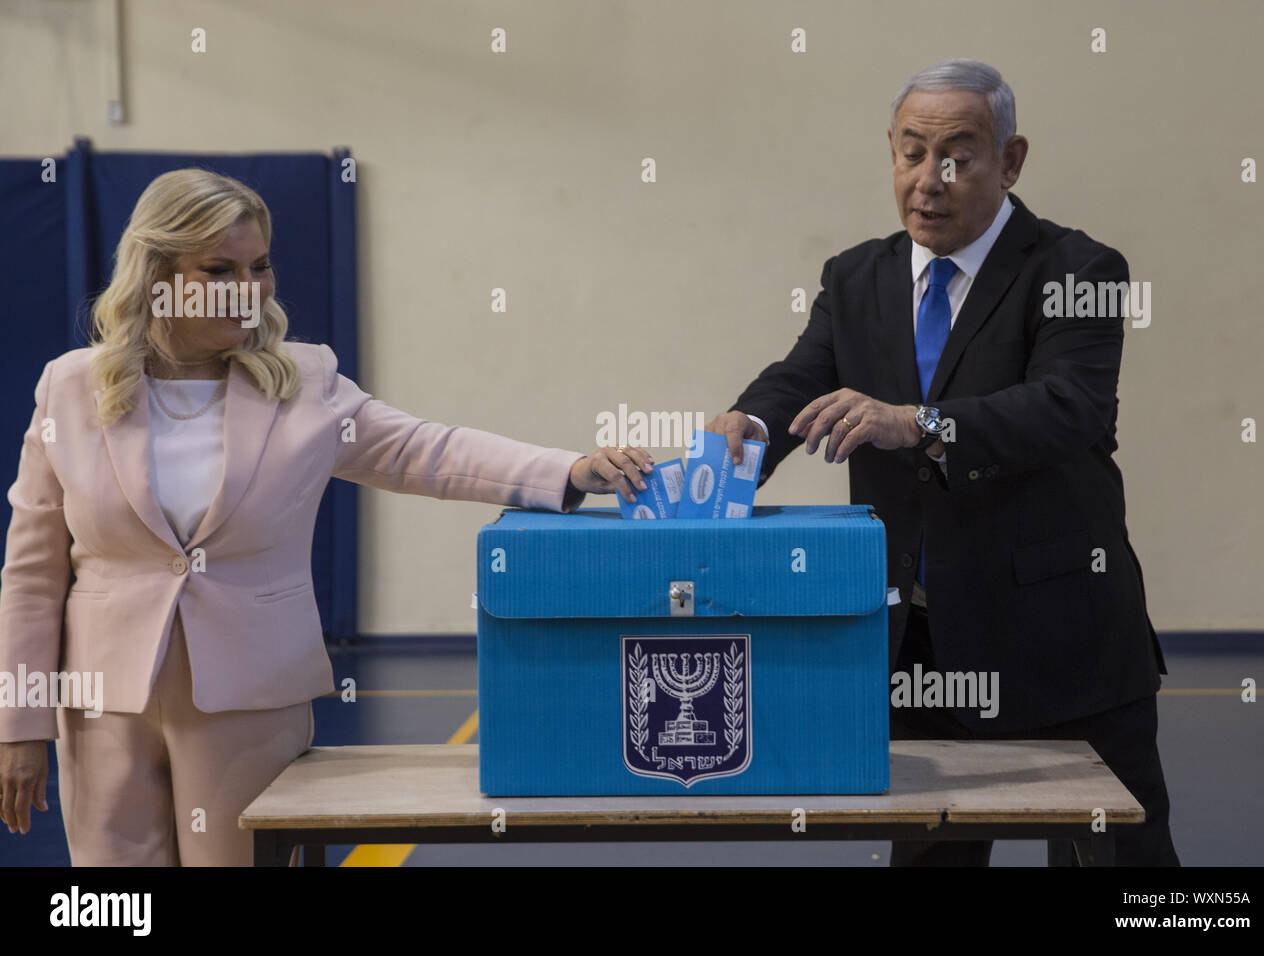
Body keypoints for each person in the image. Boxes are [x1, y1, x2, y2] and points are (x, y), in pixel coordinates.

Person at [0, 167, 653, 865]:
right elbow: (32, 575)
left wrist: (568, 471)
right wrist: (18, 723)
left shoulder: (305, 385)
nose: (249, 289)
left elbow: (427, 450)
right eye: (220, 269)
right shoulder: (68, 388)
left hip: (253, 698)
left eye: (260, 266)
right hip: (101, 707)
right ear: (156, 274)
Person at [706, 59, 1178, 866]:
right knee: (929, 859)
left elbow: (1070, 407)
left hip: (1062, 639)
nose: (930, 179)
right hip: (918, 647)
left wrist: (918, 423)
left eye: (957, 156)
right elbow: (800, 378)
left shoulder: (1078, 270)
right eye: (912, 152)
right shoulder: (857, 275)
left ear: (1011, 161)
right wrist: (747, 425)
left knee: (1122, 868)